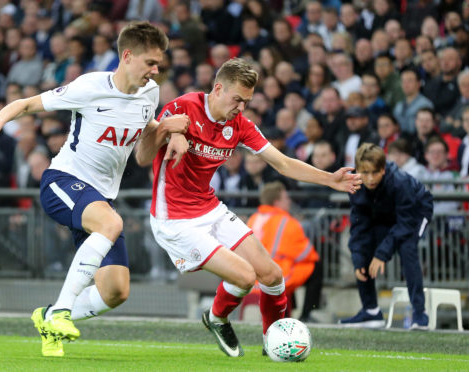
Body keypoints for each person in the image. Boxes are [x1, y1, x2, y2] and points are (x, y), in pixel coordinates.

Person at [0, 22, 190, 357]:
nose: (156, 70)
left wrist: (164, 131)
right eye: (150, 62)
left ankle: (47, 318)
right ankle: (61, 310)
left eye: (159, 63)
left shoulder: (150, 93)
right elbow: (27, 104)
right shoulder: (90, 86)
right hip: (62, 181)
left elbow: (143, 156)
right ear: (128, 56)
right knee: (111, 223)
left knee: (116, 292)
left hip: (100, 199)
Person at [137, 58, 361, 357]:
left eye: (247, 101)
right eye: (237, 99)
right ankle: (217, 318)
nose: (241, 107)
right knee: (244, 277)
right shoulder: (183, 107)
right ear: (218, 89)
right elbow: (142, 157)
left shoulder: (239, 124)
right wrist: (167, 129)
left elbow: (282, 163)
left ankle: (275, 343)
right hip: (174, 219)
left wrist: (329, 180)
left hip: (209, 207)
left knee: (272, 275)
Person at [339, 143, 433, 329]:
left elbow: (405, 224)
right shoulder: (356, 186)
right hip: (386, 214)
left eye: (375, 172)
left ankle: (420, 314)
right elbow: (359, 228)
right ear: (357, 171)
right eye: (365, 173)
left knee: (407, 248)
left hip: (416, 212)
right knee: (363, 251)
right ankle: (371, 311)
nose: (370, 178)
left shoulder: (400, 182)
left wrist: (382, 254)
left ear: (383, 169)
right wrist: (359, 260)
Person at [247, 181, 319, 317]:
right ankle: (306, 314)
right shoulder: (288, 222)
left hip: (251, 277)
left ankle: (290, 308)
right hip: (277, 277)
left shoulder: (253, 218)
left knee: (291, 264)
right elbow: (308, 254)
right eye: (286, 198)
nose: (289, 201)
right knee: (314, 266)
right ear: (276, 202)